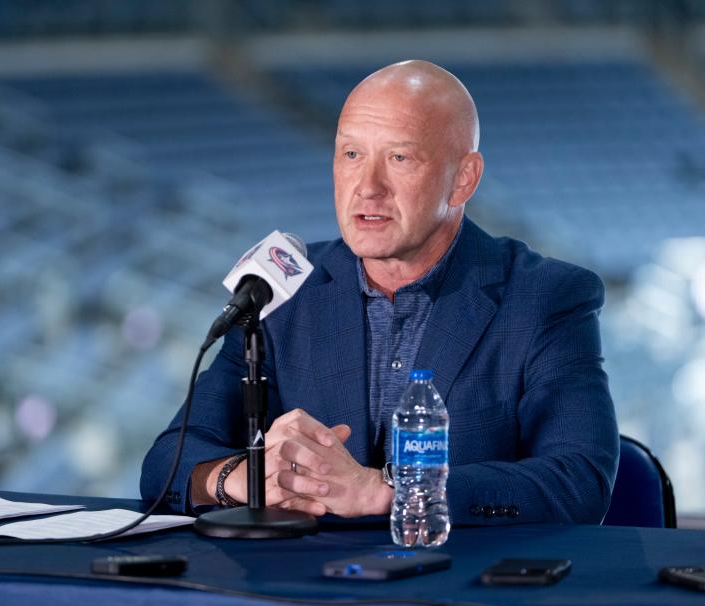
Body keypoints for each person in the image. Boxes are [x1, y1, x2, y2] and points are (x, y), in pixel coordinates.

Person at [140, 60, 619, 524]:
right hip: (303, 587)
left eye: (399, 158)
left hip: (460, 587)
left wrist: (387, 491)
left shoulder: (546, 296)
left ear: (463, 179)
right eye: (351, 155)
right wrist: (245, 479)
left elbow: (577, 483)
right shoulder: (283, 289)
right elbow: (168, 463)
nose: (367, 188)